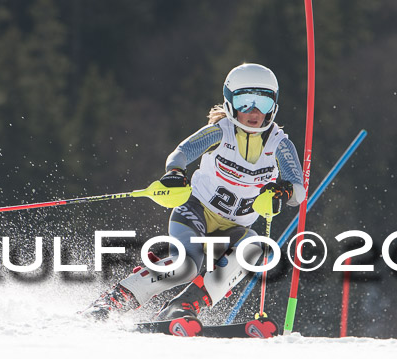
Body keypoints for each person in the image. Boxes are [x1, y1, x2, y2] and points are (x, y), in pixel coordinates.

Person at [84, 63, 306, 321]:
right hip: (196, 213)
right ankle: (113, 301)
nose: (254, 111)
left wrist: (283, 191)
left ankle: (182, 308)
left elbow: (299, 191)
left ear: (274, 105)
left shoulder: (280, 144)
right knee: (187, 265)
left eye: (263, 102)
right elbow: (181, 153)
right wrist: (175, 174)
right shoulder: (221, 132)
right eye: (245, 101)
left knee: (254, 247)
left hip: (234, 229)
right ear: (231, 103)